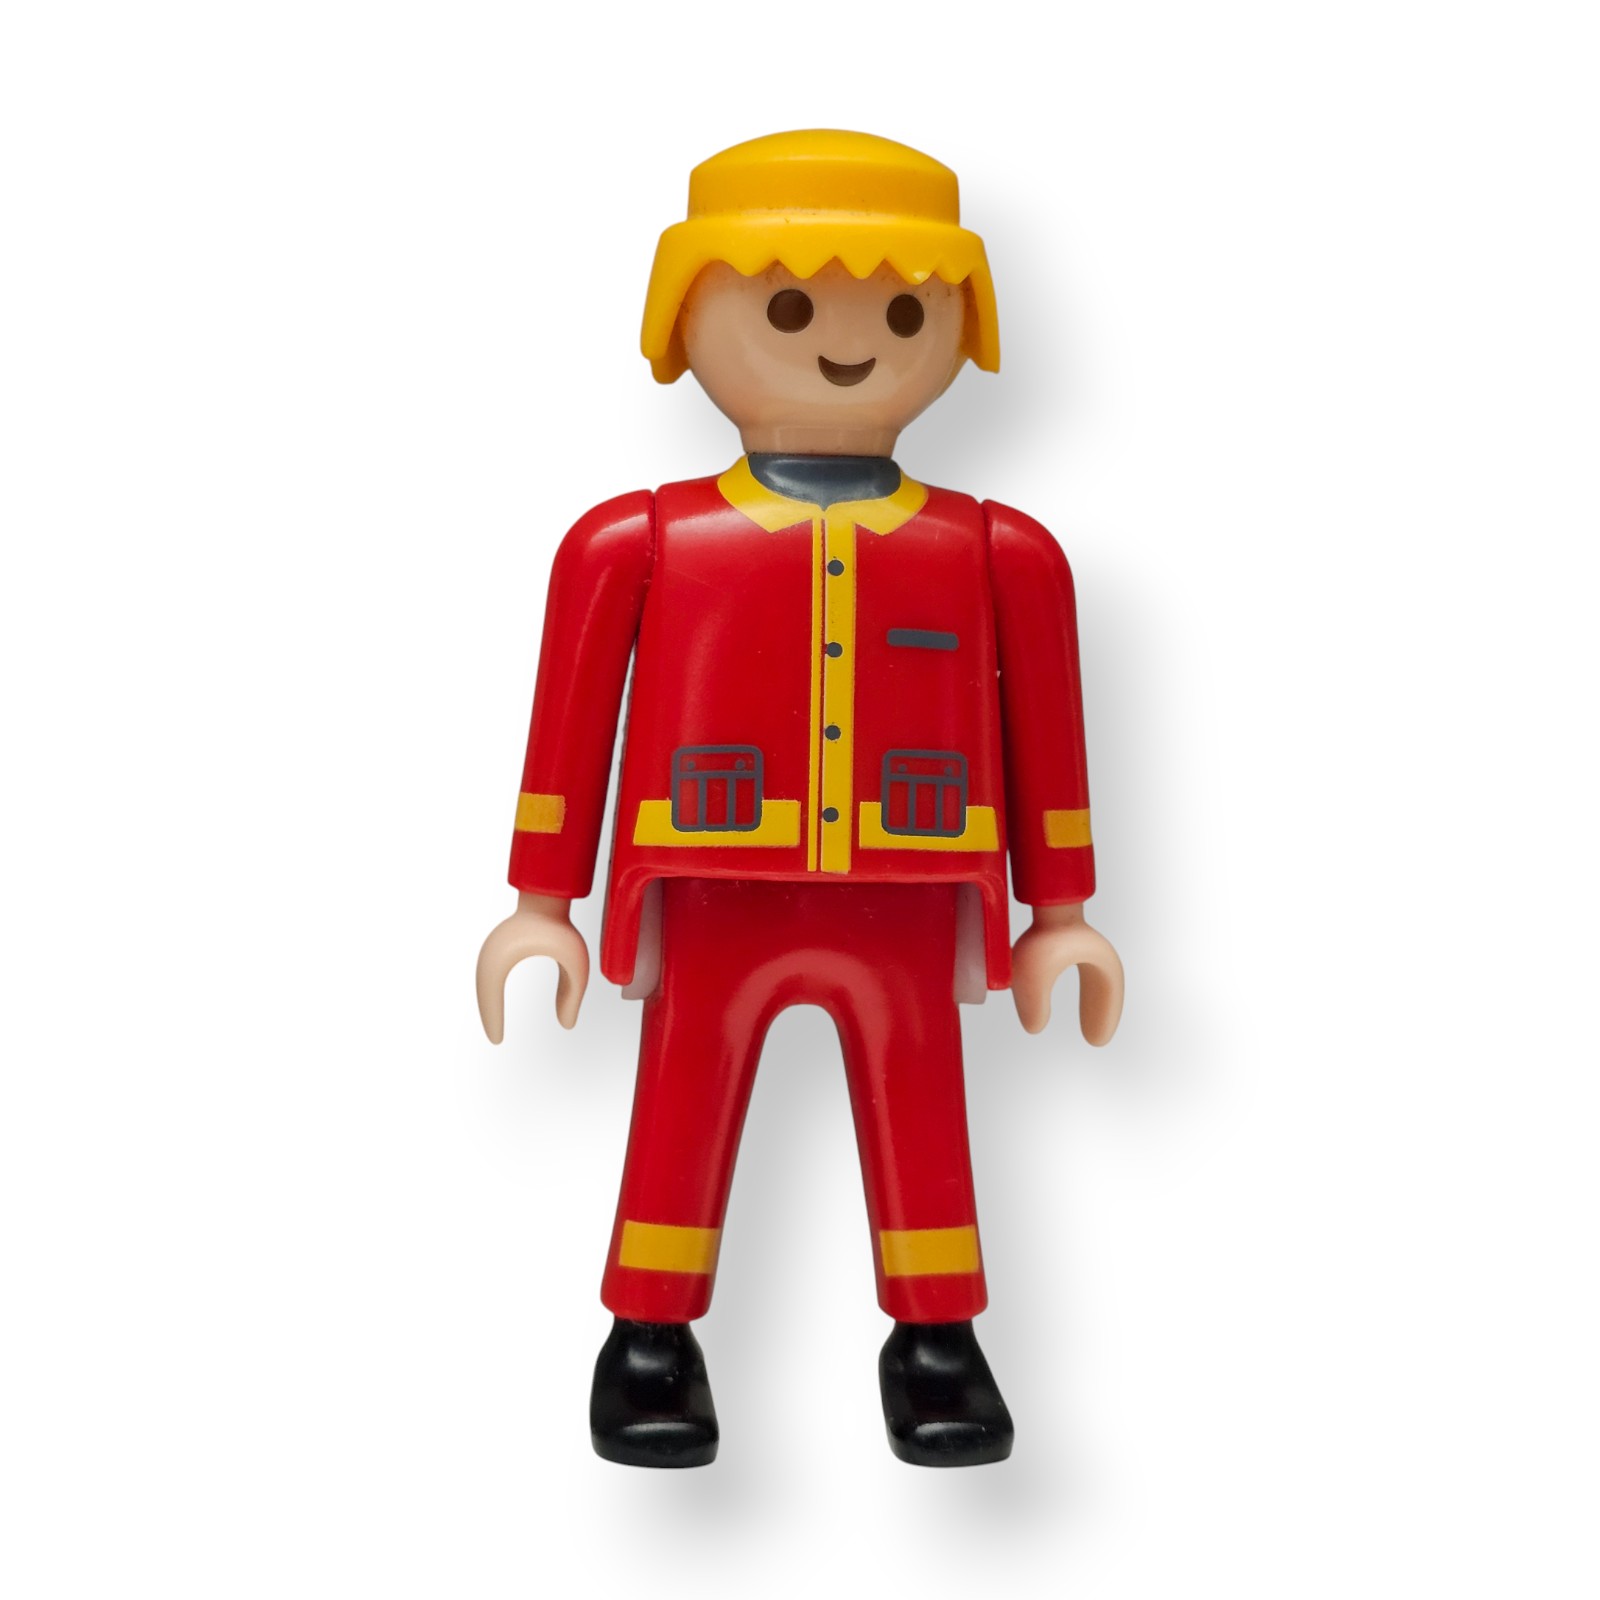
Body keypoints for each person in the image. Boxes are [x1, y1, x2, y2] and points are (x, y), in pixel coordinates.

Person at [476, 129, 1124, 1468]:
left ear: (958, 331)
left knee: (922, 1101)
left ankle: (937, 1338)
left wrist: (1061, 912)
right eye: (787, 311)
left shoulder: (999, 553)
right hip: (711, 883)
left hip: (911, 890)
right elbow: (570, 730)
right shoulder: (636, 541)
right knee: (682, 1094)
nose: (847, 347)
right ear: (686, 320)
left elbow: (1050, 740)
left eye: (902, 315)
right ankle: (649, 1333)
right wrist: (542, 900)